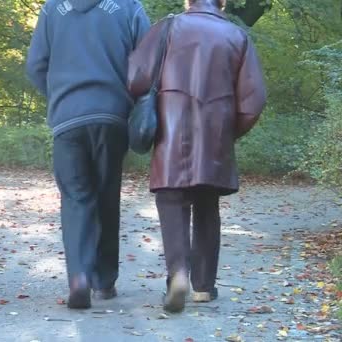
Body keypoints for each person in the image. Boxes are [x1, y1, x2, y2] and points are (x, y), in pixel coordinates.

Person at [127, 0, 267, 313]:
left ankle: (178, 275)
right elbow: (253, 100)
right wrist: (227, 131)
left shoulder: (168, 26)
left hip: (170, 135)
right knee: (207, 205)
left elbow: (136, 77)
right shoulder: (237, 36)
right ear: (224, 2)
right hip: (214, 138)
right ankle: (204, 286)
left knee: (171, 199)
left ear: (189, 0)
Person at [26, 0, 150, 309]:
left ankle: (78, 277)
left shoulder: (52, 9)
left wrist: (59, 97)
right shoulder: (129, 8)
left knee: (76, 197)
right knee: (107, 195)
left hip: (67, 118)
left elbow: (35, 65)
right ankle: (103, 282)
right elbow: (149, 64)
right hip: (112, 116)